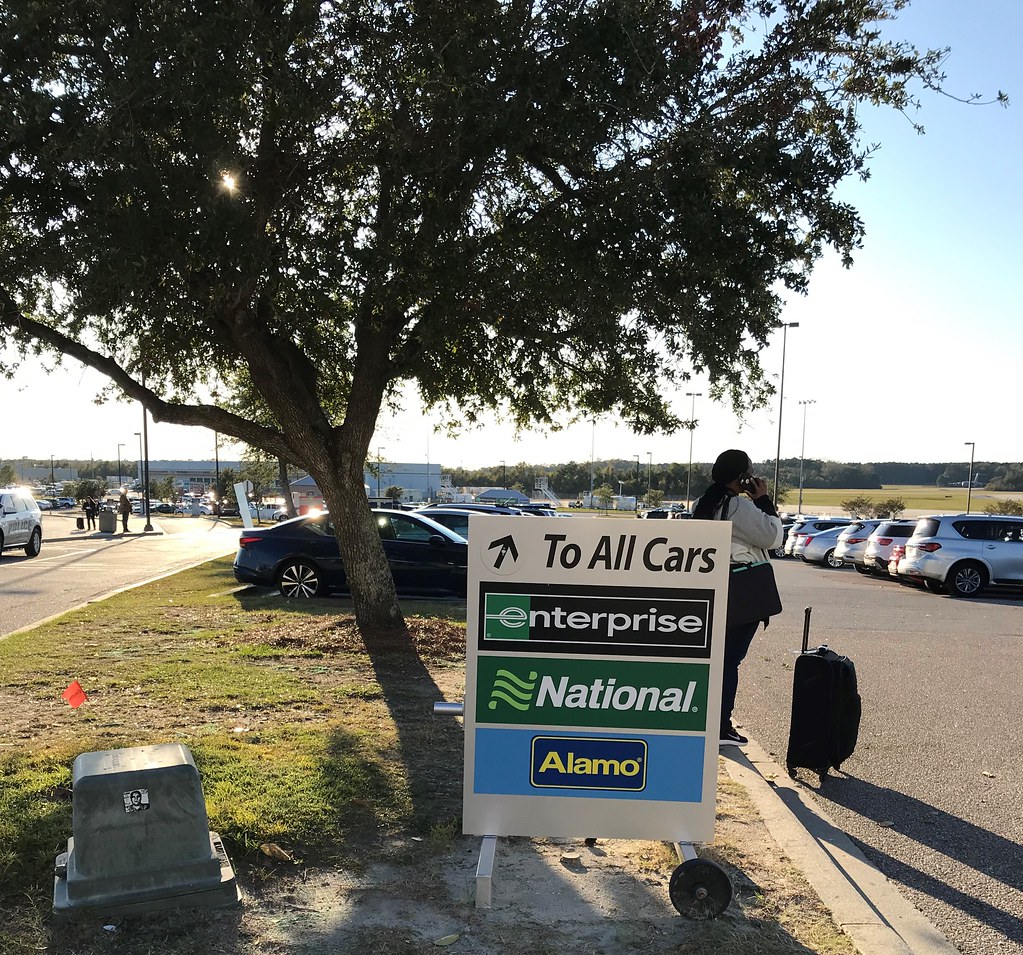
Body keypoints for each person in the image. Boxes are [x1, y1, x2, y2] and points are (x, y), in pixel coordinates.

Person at [692, 449, 783, 748]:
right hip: (742, 591)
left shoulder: (704, 503)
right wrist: (763, 500)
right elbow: (772, 537)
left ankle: (708, 720)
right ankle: (721, 726)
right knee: (730, 660)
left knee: (715, 659)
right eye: (750, 470)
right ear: (741, 476)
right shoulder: (735, 507)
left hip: (712, 587)